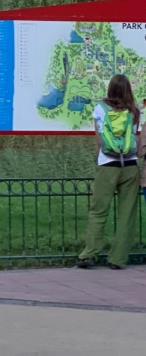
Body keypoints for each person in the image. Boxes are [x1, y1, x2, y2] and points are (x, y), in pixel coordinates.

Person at [76, 74, 140, 270]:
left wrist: (100, 161)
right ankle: (118, 259)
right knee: (126, 214)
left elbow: (99, 142)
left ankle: (89, 254)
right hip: (130, 166)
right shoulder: (134, 111)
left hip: (107, 165)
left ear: (110, 89)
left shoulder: (100, 110)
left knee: (98, 210)